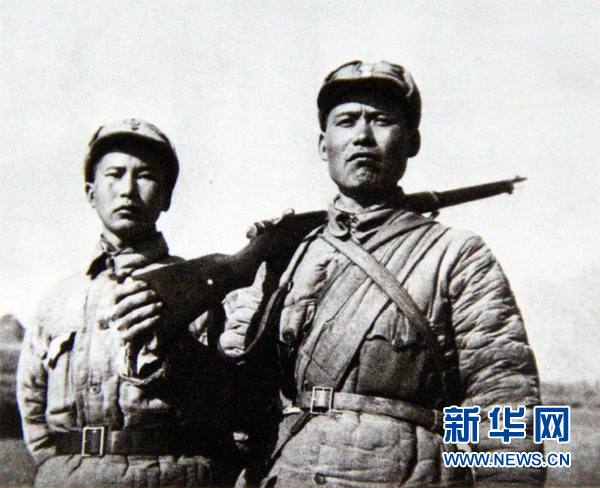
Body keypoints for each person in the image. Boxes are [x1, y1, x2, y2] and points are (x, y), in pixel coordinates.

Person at [217, 61, 546, 487]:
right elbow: (242, 403)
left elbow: (506, 399)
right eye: (346, 121)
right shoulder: (287, 255)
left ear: (412, 142)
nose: (362, 136)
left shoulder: (457, 254)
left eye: (381, 120)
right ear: (323, 145)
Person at [17, 119, 237, 487]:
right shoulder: (58, 299)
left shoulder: (201, 287)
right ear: (90, 194)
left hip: (171, 477)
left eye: (145, 176)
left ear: (166, 196)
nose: (128, 190)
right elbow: (32, 405)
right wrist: (61, 471)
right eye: (115, 175)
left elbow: (230, 402)